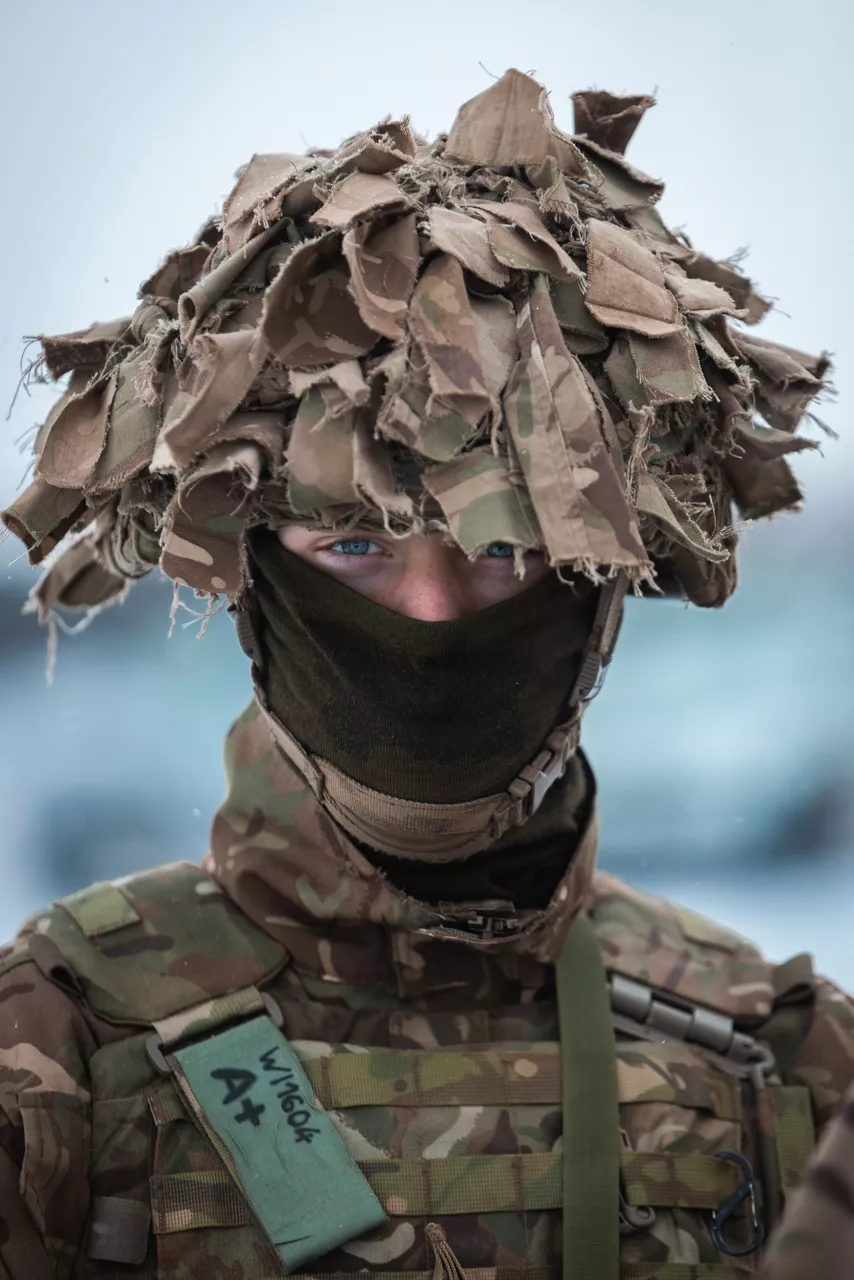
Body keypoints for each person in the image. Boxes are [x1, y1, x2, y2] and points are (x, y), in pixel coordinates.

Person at [0, 69, 850, 1280]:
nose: (432, 613)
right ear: (247, 574)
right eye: (352, 545)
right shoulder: (52, 1047)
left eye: (504, 549)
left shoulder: (786, 1060)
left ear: (602, 585)